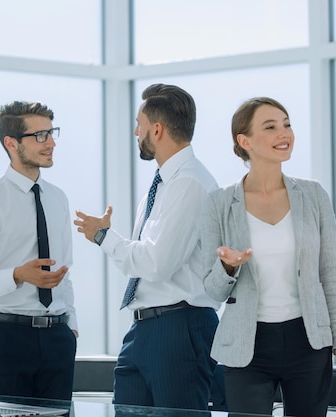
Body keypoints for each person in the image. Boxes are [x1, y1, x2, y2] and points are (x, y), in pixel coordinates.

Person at [201, 97, 336, 417]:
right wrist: (227, 267)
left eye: (287, 124)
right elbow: (211, 290)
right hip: (247, 347)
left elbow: (330, 276)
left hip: (309, 342)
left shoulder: (313, 195)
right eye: (270, 127)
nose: (283, 133)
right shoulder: (218, 203)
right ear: (244, 141)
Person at [73, 84, 220, 410]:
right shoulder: (164, 185)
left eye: (139, 123)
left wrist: (104, 237)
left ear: (157, 129)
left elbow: (157, 264)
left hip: (179, 328)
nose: (135, 131)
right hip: (145, 328)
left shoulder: (189, 183)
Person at [0, 101, 78, 400]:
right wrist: (18, 275)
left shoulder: (58, 198)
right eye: (40, 135)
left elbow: (66, 272)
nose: (51, 143)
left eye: (51, 133)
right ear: (11, 143)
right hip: (7, 339)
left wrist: (71, 327)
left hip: (58, 339)